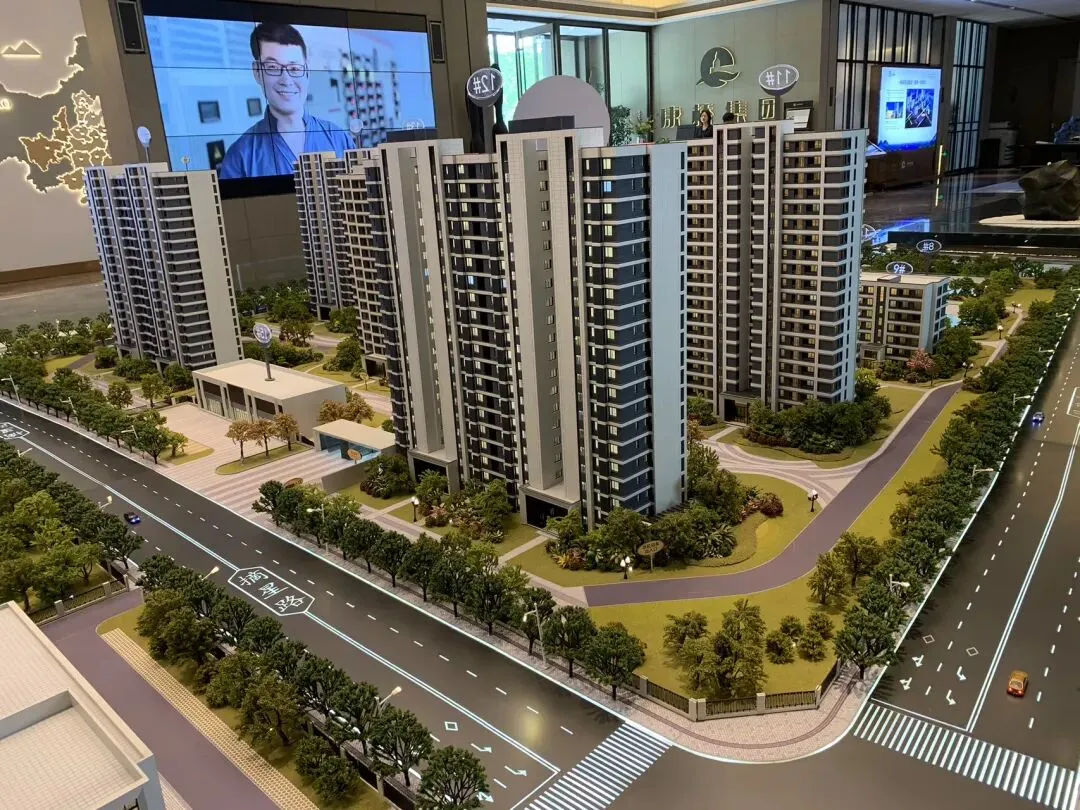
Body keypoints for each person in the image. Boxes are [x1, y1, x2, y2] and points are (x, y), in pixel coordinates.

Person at [218, 22, 353, 180]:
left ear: (307, 72)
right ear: (257, 73)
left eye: (294, 68)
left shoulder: (338, 138)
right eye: (273, 68)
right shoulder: (241, 157)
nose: (286, 80)